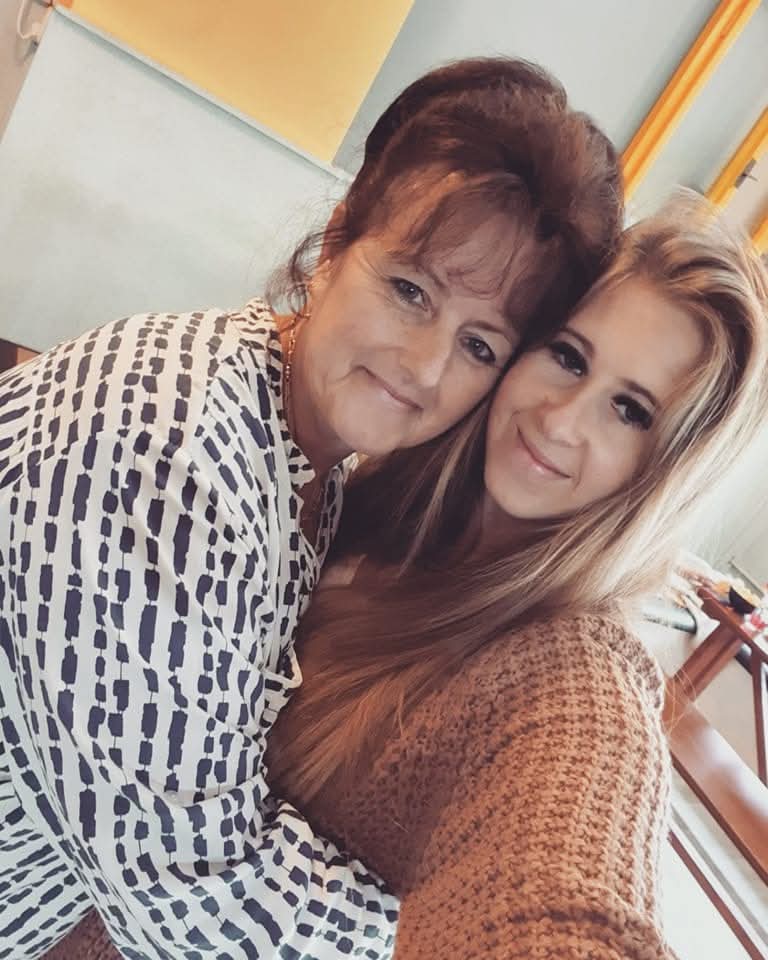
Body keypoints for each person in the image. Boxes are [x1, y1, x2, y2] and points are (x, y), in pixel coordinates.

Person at [0, 59, 623, 959]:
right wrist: (424, 928)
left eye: (480, 345)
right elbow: (193, 902)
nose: (424, 367)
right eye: (410, 290)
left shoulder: (312, 455)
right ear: (334, 245)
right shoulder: (170, 460)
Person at [267, 193, 768, 958]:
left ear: (663, 474)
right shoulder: (379, 481)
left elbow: (569, 906)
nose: (560, 420)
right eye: (568, 357)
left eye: (631, 411)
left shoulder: (570, 680)